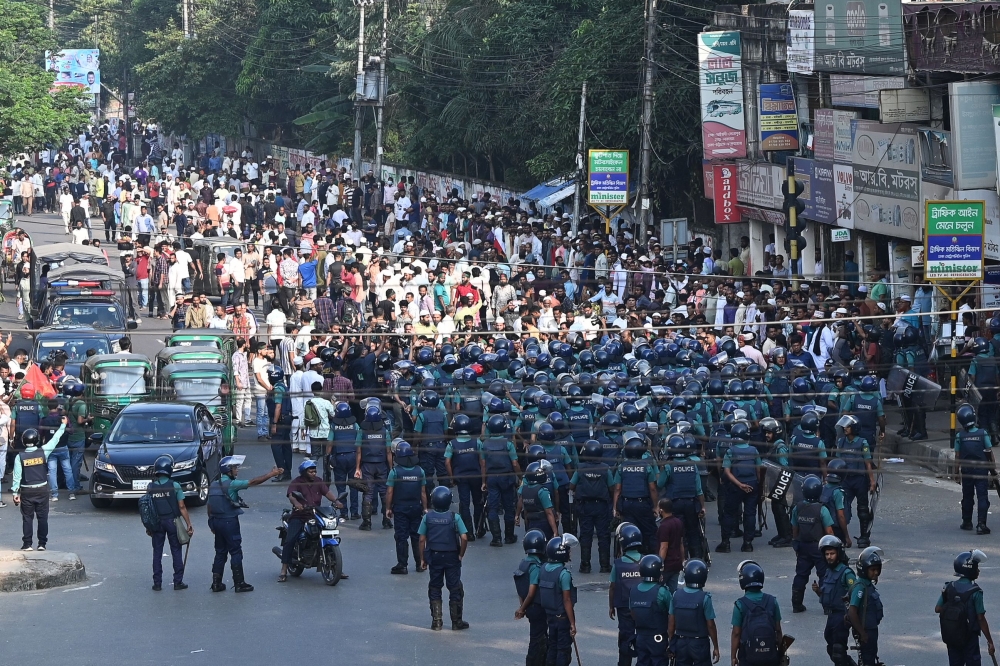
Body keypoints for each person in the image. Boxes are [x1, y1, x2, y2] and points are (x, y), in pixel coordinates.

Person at [207, 455, 284, 593]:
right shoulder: (232, 484)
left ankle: (216, 583)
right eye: (235, 468)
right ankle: (239, 583)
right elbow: (254, 481)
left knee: (220, 552)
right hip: (229, 521)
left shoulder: (213, 484)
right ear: (228, 470)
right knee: (235, 551)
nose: (237, 470)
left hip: (216, 521)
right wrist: (271, 474)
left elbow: (209, 507)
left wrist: (212, 524)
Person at [277, 460, 346, 582]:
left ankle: (335, 566)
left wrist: (336, 501)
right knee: (291, 539)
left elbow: (327, 492)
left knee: (329, 531)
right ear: (304, 472)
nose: (314, 473)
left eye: (315, 471)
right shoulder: (297, 482)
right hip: (300, 515)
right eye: (311, 471)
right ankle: (284, 569)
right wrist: (297, 503)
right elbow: (291, 495)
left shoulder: (318, 481)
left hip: (315, 515)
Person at [418, 485, 470, 631]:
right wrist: (461, 554)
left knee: (435, 587)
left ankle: (437, 621)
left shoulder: (427, 517)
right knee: (455, 588)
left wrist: (423, 559)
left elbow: (422, 539)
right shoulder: (455, 517)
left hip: (434, 556)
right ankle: (456, 621)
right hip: (452, 556)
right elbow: (464, 537)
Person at [11, 419, 67, 551]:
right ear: (37, 440)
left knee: (27, 518)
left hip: (26, 492)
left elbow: (17, 476)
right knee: (43, 518)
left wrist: (15, 493)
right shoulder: (44, 451)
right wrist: (63, 425)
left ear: (24, 442)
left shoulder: (20, 457)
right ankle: (42, 544)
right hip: (42, 490)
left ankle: (27, 544)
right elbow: (55, 439)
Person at [936, 550, 996, 666]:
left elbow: (938, 609)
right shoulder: (975, 592)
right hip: (970, 638)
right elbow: (980, 618)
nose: (978, 570)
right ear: (970, 569)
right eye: (976, 567)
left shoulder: (948, 587)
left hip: (952, 636)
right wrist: (990, 641)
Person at [145, 455, 193, 591]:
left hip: (157, 523)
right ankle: (178, 582)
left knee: (157, 553)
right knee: (176, 551)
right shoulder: (175, 485)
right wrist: (188, 523)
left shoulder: (150, 486)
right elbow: (182, 507)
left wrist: (149, 526)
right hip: (172, 522)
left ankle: (157, 583)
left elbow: (148, 508)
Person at [570, 439, 615, 573]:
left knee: (585, 535)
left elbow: (571, 485)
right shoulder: (605, 468)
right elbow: (611, 487)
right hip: (601, 506)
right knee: (604, 536)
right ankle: (605, 565)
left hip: (584, 506)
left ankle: (585, 565)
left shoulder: (580, 468)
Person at [791, 475, 834, 613]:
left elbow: (794, 527)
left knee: (801, 574)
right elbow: (829, 530)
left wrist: (796, 542)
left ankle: (796, 604)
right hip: (819, 547)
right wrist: (833, 547)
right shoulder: (822, 509)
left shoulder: (797, 508)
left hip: (803, 546)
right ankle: (827, 606)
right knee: (824, 576)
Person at [657, 434, 705, 560]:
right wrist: (702, 507)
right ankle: (697, 560)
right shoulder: (692, 465)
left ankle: (682, 560)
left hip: (675, 505)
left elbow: (659, 484)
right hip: (691, 504)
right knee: (693, 532)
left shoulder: (669, 466)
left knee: (679, 533)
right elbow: (699, 490)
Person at [834, 415, 877, 548]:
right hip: (845, 480)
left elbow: (867, 463)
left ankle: (864, 536)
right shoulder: (841, 442)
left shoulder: (862, 443)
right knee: (842, 509)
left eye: (848, 426)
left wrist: (872, 481)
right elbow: (837, 462)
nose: (845, 428)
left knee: (863, 509)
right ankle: (841, 536)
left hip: (860, 480)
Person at [668, 559, 720, 666]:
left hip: (681, 642)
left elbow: (671, 623)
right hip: (699, 643)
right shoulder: (704, 598)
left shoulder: (676, 595)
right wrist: (715, 646)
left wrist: (671, 643)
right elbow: (710, 625)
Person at [814, 535, 857, 666]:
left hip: (842, 616)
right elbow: (829, 594)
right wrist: (818, 592)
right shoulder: (828, 571)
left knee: (838, 651)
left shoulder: (846, 573)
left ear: (838, 553)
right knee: (831, 646)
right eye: (827, 554)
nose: (829, 556)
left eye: (832, 553)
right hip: (831, 615)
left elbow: (856, 594)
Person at [720, 421, 762, 553]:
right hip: (752, 485)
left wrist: (739, 484)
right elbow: (759, 470)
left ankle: (725, 543)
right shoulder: (754, 450)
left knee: (729, 514)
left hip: (735, 487)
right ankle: (748, 543)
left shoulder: (730, 451)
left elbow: (727, 472)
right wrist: (757, 485)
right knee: (750, 514)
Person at [387, 441, 428, 574]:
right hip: (416, 507)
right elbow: (423, 492)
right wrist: (425, 508)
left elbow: (390, 492)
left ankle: (402, 564)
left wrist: (388, 508)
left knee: (401, 537)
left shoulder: (395, 472)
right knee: (417, 536)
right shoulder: (420, 471)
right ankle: (420, 563)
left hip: (400, 509)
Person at [731, 561, 783, 666]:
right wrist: (781, 653)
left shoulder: (740, 604)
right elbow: (778, 629)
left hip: (747, 656)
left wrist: (733, 657)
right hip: (770, 655)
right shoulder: (772, 601)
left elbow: (736, 633)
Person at [480, 413, 521, 546]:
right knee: (509, 507)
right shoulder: (508, 444)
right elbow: (514, 463)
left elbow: (483, 465)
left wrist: (484, 482)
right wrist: (520, 477)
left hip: (492, 478)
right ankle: (509, 536)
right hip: (507, 478)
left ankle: (496, 538)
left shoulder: (484, 444)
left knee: (492, 507)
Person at [443, 413, 485, 543]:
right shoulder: (477, 442)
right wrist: (484, 480)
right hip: (476, 477)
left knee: (464, 504)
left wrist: (452, 478)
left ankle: (469, 532)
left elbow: (447, 462)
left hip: (461, 478)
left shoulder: (452, 444)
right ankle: (479, 528)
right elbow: (483, 462)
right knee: (478, 502)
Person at [539, 535, 579, 666]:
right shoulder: (564, 574)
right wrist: (572, 623)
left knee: (552, 645)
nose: (569, 552)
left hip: (549, 614)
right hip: (562, 617)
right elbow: (567, 600)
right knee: (563, 648)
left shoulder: (543, 568)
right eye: (568, 550)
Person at [609, 523, 644, 666]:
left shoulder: (618, 564)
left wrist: (611, 606)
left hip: (623, 607)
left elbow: (612, 587)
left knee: (625, 638)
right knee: (644, 637)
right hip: (644, 607)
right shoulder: (646, 561)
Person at [955, 403, 993, 534]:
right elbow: (989, 452)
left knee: (967, 497)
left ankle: (967, 522)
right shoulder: (983, 433)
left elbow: (957, 457)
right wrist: (993, 469)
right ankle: (981, 525)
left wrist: (956, 473)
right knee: (982, 497)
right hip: (981, 471)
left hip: (967, 471)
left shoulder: (960, 436)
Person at [615, 437, 658, 553]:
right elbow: (653, 488)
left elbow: (618, 489)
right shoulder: (647, 467)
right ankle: (653, 558)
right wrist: (655, 506)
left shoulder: (622, 467)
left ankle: (631, 557)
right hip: (643, 504)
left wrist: (615, 508)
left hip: (627, 504)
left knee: (629, 531)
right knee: (649, 532)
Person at [354, 403, 393, 531]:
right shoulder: (385, 431)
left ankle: (367, 522)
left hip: (367, 465)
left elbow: (359, 451)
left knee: (368, 492)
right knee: (384, 492)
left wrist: (357, 468)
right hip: (382, 465)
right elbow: (388, 452)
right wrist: (391, 467)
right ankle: (386, 521)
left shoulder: (361, 431)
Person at [514, 529, 549, 666]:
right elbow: (531, 591)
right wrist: (522, 609)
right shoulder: (535, 566)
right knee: (538, 639)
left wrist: (522, 606)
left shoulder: (524, 563)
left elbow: (520, 588)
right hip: (536, 607)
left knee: (536, 636)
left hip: (529, 607)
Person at [630, 554, 672, 666]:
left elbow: (633, 613)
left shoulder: (634, 590)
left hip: (640, 637)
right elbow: (672, 615)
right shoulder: (662, 592)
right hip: (658, 639)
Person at [848, 546, 885, 666]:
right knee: (867, 660)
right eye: (872, 570)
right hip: (866, 632)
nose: (876, 572)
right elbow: (852, 612)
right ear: (863, 570)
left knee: (871, 656)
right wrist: (862, 633)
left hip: (872, 630)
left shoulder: (868, 585)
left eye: (877, 569)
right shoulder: (860, 587)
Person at [328, 401, 361, 519]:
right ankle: (355, 512)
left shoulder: (334, 426)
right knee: (354, 486)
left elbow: (330, 443)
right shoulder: (355, 425)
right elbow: (359, 443)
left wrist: (328, 457)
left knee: (341, 487)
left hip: (339, 457)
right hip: (353, 457)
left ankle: (344, 513)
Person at [516, 461, 559, 541]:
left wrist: (525, 523)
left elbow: (525, 510)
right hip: (543, 523)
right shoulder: (543, 491)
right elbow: (549, 512)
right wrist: (555, 532)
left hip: (531, 523)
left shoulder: (525, 490)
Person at [654, 499, 685, 593]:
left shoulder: (664, 526)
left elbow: (664, 547)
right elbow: (681, 543)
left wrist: (660, 565)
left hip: (667, 565)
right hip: (677, 563)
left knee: (658, 590)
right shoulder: (678, 522)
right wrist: (682, 560)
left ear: (661, 510)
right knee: (673, 592)